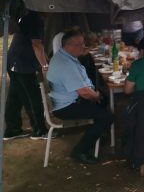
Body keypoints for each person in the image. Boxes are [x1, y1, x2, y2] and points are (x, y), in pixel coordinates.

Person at [47, 30, 114, 164]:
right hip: (66, 107)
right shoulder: (65, 64)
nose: (83, 47)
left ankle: (98, 132)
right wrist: (95, 96)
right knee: (107, 116)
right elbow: (83, 92)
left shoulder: (64, 56)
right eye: (79, 44)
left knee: (104, 99)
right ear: (68, 45)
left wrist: (96, 95)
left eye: (83, 44)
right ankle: (80, 151)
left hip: (68, 100)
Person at [4, 11, 49, 140]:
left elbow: (38, 45)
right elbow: (36, 44)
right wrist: (45, 65)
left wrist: (45, 59)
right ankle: (39, 130)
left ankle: (12, 130)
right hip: (22, 64)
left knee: (15, 97)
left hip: (14, 61)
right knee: (32, 97)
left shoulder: (28, 17)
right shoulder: (35, 19)